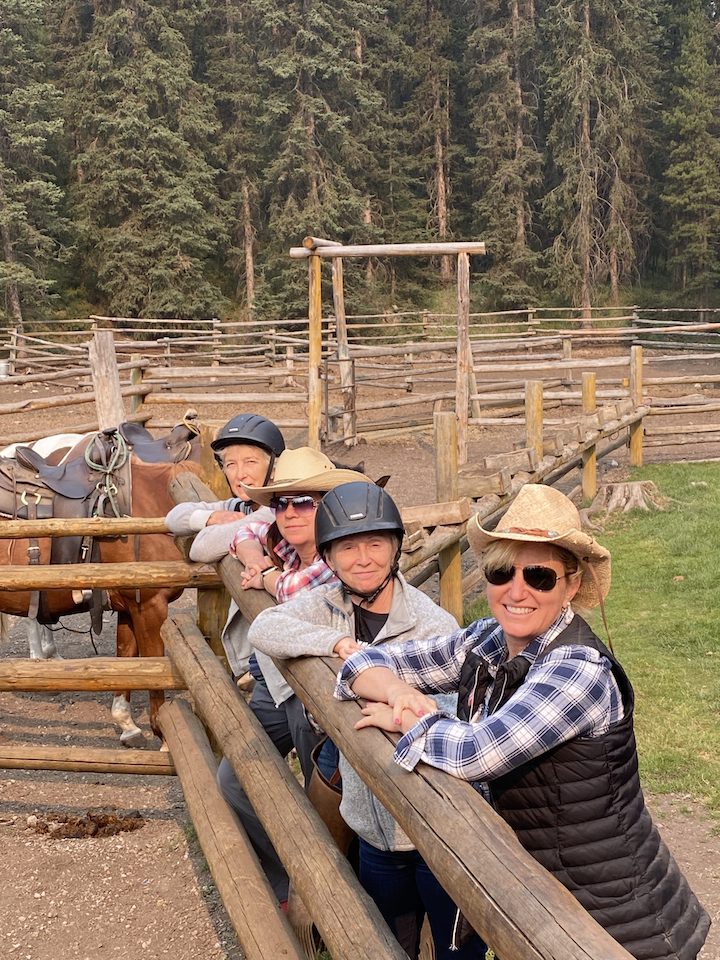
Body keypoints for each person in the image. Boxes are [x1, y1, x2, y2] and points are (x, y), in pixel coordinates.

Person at [336, 483, 710, 960]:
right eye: (499, 572)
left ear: (571, 585)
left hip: (623, 921)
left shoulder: (578, 670)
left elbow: (479, 753)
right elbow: (367, 663)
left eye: (539, 576)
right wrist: (396, 691)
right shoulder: (489, 642)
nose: (517, 591)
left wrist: (415, 719)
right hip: (554, 901)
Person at [249, 481, 484, 959]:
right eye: (348, 547)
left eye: (375, 544)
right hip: (371, 827)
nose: (363, 559)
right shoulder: (326, 605)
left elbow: (458, 715)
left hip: (435, 827)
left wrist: (410, 714)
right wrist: (334, 645)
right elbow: (264, 625)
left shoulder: (431, 623)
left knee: (455, 947)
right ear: (330, 558)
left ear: (395, 548)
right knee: (386, 941)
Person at [220, 449, 374, 907]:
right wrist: (255, 557)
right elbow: (243, 530)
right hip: (278, 682)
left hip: (321, 697)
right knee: (234, 779)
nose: (289, 512)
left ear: (327, 505)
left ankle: (336, 904)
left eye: (303, 502)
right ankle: (293, 883)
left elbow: (297, 589)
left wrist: (265, 577)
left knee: (325, 801)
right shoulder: (283, 544)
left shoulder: (335, 559)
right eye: (282, 502)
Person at [165, 413, 285, 679]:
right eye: (231, 464)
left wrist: (210, 527)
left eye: (251, 462)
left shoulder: (274, 512)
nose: (240, 474)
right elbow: (173, 517)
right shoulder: (240, 506)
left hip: (281, 658)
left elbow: (200, 548)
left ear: (274, 467)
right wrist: (211, 517)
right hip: (264, 653)